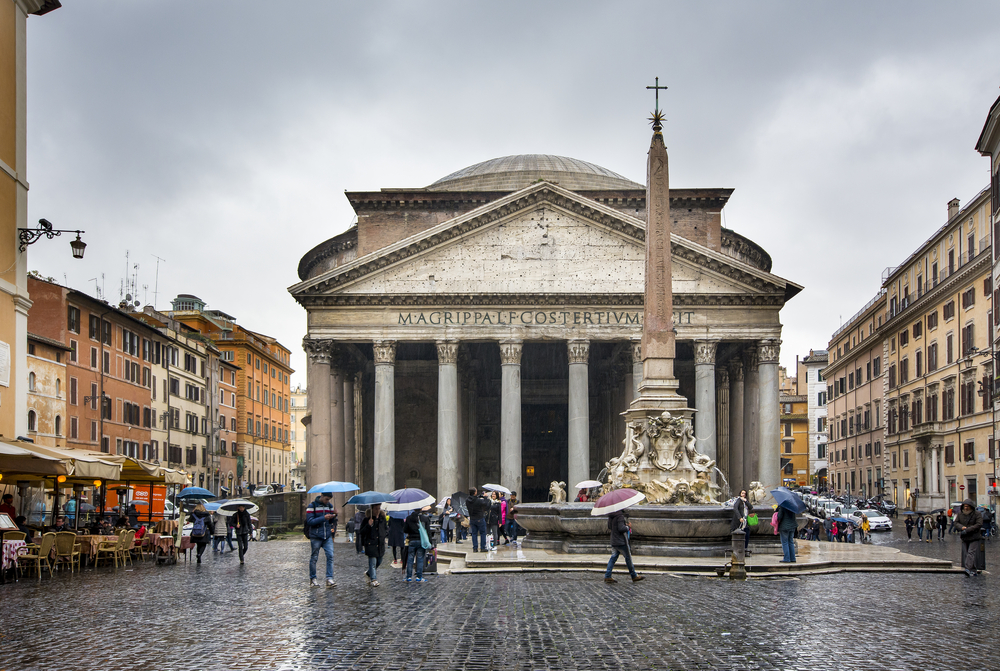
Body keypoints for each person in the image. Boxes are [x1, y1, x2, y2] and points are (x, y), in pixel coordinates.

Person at [304, 492, 337, 586]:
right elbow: (310, 521)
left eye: (329, 500)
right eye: (326, 499)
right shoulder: (312, 506)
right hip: (316, 536)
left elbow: (331, 521)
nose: (328, 501)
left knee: (330, 556)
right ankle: (313, 579)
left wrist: (334, 515)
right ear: (321, 496)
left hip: (327, 535)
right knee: (314, 557)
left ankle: (329, 579)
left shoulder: (330, 506)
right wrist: (323, 518)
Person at [604, 509, 643, 583]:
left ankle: (607, 575)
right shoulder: (620, 516)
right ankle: (634, 575)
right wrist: (628, 527)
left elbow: (610, 526)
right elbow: (621, 528)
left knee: (613, 558)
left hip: (614, 540)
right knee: (628, 558)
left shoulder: (611, 515)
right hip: (621, 541)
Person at [953, 499, 983, 577]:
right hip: (965, 536)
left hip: (974, 536)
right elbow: (956, 523)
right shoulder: (960, 514)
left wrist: (968, 529)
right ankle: (973, 569)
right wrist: (962, 527)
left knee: (971, 553)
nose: (966, 508)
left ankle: (967, 568)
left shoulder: (977, 514)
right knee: (967, 553)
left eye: (967, 506)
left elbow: (979, 524)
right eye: (965, 506)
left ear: (971, 507)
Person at [360, 503, 388, 586]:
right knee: (372, 563)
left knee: (379, 561)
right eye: (376, 508)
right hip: (371, 543)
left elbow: (385, 528)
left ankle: (369, 573)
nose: (378, 510)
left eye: (379, 508)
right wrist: (369, 525)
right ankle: (374, 579)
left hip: (380, 544)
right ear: (372, 509)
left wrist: (384, 535)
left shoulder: (382, 519)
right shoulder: (366, 520)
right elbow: (362, 532)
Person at [403, 504, 432, 582]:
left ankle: (408, 577)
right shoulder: (425, 519)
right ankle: (419, 577)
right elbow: (428, 531)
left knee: (410, 559)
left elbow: (405, 530)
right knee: (420, 559)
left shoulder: (409, 518)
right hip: (421, 541)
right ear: (421, 509)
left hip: (412, 540)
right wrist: (430, 542)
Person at [465, 488, 488, 552]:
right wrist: (485, 497)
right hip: (479, 518)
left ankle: (475, 548)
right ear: (475, 492)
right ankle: (483, 547)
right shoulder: (478, 500)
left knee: (474, 534)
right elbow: (485, 504)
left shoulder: (467, 500)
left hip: (472, 518)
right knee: (483, 533)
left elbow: (473, 499)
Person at [730, 489, 753, 553]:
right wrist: (739, 517)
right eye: (742, 493)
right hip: (739, 521)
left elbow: (751, 507)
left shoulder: (745, 501)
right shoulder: (738, 500)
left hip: (746, 521)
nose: (743, 494)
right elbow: (735, 508)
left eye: (745, 493)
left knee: (747, 534)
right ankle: (739, 549)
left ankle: (745, 549)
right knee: (739, 535)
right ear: (740, 494)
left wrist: (746, 501)